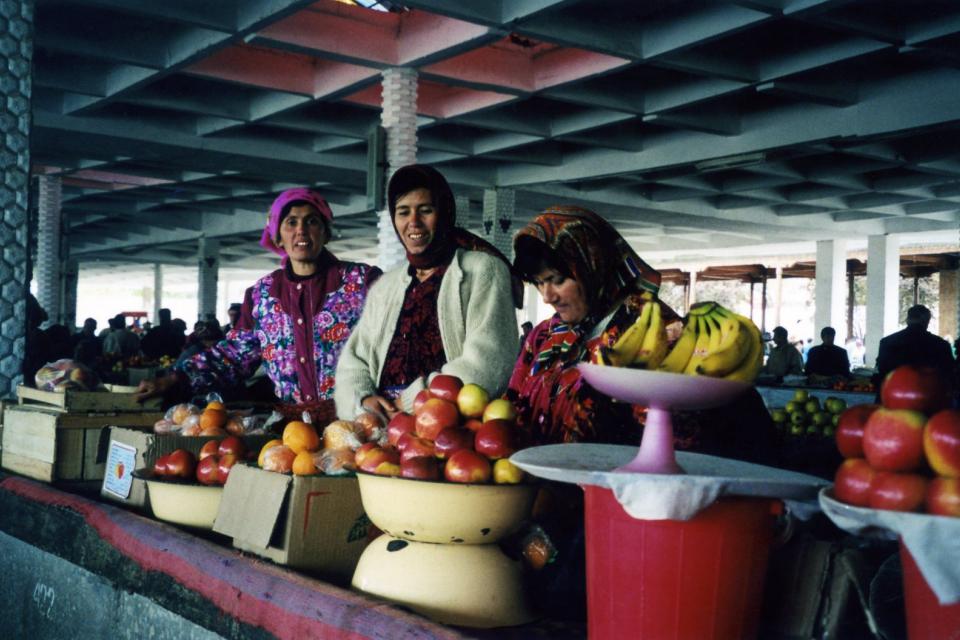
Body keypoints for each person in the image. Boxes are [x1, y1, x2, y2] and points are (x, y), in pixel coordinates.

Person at [135, 188, 381, 418]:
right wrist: (175, 378)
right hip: (293, 431)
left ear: (325, 232)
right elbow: (233, 356)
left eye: (312, 221)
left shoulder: (362, 282)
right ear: (278, 237)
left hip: (358, 421)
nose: (301, 230)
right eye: (291, 222)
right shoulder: (262, 295)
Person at [334, 164, 520, 420]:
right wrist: (363, 399)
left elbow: (488, 362)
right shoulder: (386, 287)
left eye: (425, 210)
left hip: (452, 431)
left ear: (443, 213)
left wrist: (415, 400)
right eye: (403, 212)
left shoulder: (483, 271)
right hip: (383, 430)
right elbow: (354, 360)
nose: (413, 223)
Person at [875, 305, 955, 386]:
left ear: (907, 320)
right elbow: (949, 374)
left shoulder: (886, 342)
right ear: (927, 321)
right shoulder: (941, 345)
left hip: (892, 394)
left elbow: (881, 370)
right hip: (930, 394)